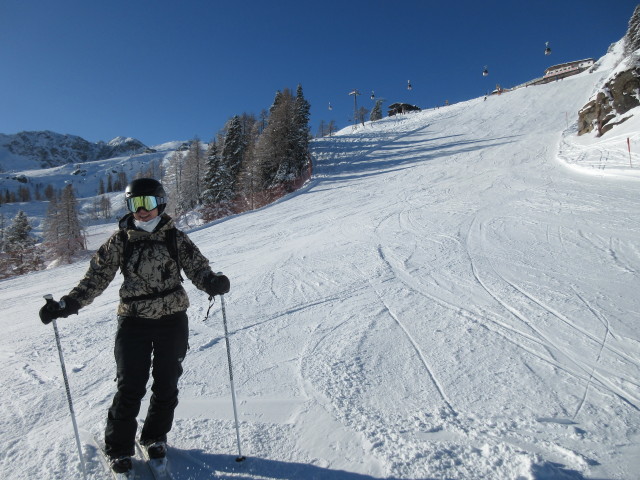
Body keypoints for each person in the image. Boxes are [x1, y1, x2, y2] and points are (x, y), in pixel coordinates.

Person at [39, 178, 230, 475]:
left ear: (160, 204)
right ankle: (118, 448)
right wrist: (68, 304)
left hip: (172, 319)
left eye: (148, 204)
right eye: (135, 205)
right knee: (130, 386)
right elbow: (95, 279)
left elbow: (198, 268)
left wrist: (212, 282)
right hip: (134, 321)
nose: (142, 211)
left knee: (167, 384)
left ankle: (154, 436)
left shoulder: (175, 238)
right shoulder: (121, 240)